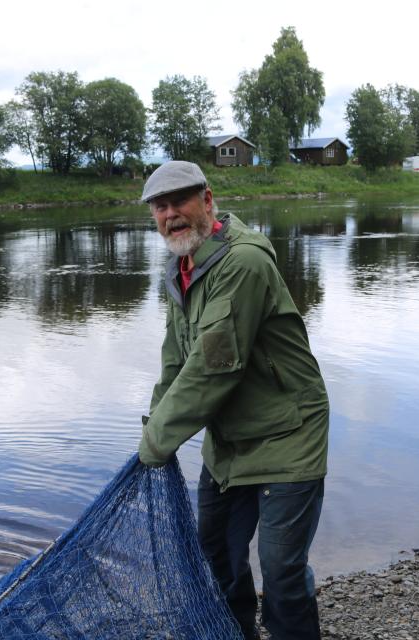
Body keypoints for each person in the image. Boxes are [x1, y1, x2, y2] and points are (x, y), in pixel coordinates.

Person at [137, 160, 330, 640]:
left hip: (289, 437)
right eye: (160, 207)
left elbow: (211, 369)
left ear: (207, 199)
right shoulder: (180, 269)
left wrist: (157, 444)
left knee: (281, 571)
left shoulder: (243, 261)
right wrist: (152, 429)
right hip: (228, 445)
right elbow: (176, 363)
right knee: (217, 555)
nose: (170, 214)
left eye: (180, 200)